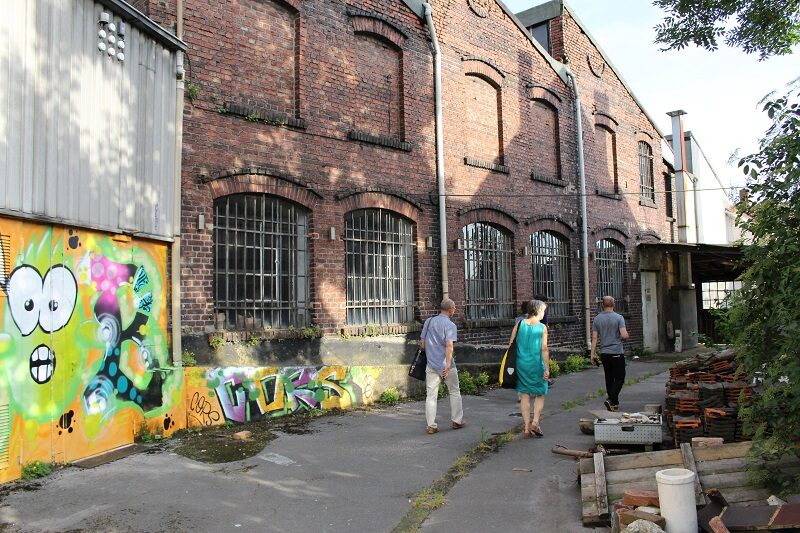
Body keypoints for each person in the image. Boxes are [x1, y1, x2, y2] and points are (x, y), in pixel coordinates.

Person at [420, 298, 464, 435]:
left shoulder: (429, 321)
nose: (454, 310)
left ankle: (431, 425)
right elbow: (449, 345)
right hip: (446, 365)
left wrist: (432, 353)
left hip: (431, 364)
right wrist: (448, 364)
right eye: (454, 308)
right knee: (454, 391)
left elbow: (422, 343)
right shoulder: (450, 325)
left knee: (431, 396)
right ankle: (457, 421)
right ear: (450, 309)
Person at [507, 299, 550, 438]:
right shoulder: (542, 328)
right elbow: (544, 349)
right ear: (537, 311)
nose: (544, 313)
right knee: (540, 392)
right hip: (536, 364)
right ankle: (536, 422)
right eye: (543, 310)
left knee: (524, 394)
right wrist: (547, 368)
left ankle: (526, 427)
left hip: (521, 363)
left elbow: (511, 344)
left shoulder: (519, 324)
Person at [590, 296, 629, 412]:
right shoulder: (619, 318)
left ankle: (614, 404)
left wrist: (592, 354)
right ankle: (611, 399)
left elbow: (594, 337)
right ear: (614, 304)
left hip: (604, 353)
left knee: (609, 378)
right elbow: (624, 335)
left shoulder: (597, 319)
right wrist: (626, 337)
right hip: (616, 352)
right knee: (620, 378)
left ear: (603, 305)